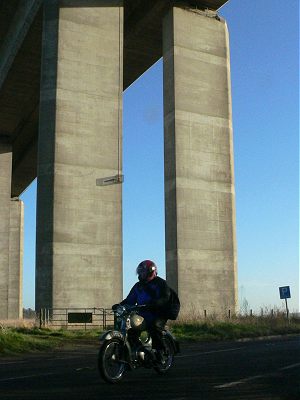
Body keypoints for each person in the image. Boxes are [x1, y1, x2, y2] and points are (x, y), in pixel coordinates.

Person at [113, 260, 172, 362]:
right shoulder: (138, 286)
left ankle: (161, 352)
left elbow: (165, 297)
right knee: (131, 332)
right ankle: (141, 350)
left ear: (150, 271)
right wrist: (120, 305)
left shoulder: (161, 283)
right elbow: (130, 300)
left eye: (143, 272)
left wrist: (155, 303)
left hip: (158, 314)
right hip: (143, 314)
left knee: (154, 327)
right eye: (140, 272)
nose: (141, 274)